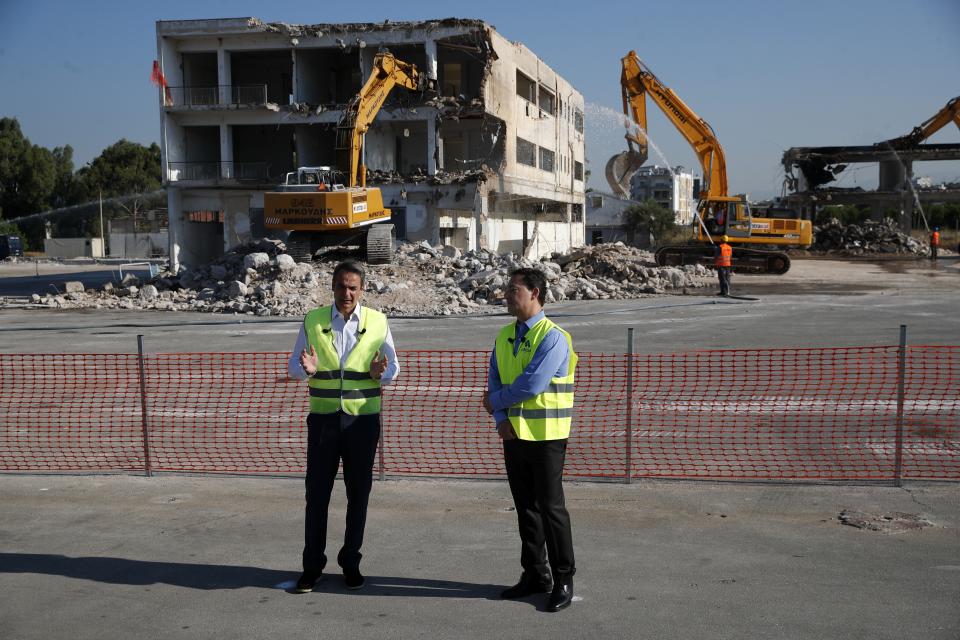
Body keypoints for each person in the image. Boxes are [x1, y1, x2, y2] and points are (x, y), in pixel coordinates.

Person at [287, 260, 399, 593]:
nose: (346, 293)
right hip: (323, 421)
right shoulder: (313, 319)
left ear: (361, 290)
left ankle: (351, 562)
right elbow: (294, 365)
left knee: (358, 495)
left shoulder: (378, 322)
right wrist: (306, 369)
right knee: (317, 495)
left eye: (353, 287)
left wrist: (382, 372)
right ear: (332, 287)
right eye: (340, 286)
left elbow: (394, 368)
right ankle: (312, 567)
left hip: (362, 421)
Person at [482, 268, 578, 612]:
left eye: (513, 289)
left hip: (547, 438)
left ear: (534, 292)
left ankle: (563, 578)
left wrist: (495, 403)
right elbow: (493, 381)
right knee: (526, 509)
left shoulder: (553, 337)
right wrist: (500, 418)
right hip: (513, 435)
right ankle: (536, 575)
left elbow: (531, 385)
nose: (507, 294)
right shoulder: (504, 335)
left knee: (551, 510)